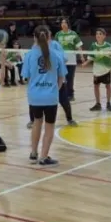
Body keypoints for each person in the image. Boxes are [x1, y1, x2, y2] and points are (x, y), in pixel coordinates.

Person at [23, 25, 67, 166]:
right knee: (49, 126)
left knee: (37, 122)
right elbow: (61, 78)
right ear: (49, 37)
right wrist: (54, 90)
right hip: (50, 97)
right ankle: (43, 157)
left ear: (34, 38)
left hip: (34, 97)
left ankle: (33, 153)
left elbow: (27, 77)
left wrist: (35, 87)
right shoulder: (57, 55)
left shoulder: (29, 55)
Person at [86, 28, 111, 112]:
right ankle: (98, 104)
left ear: (104, 36)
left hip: (106, 69)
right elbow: (91, 57)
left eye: (100, 34)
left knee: (108, 86)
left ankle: (108, 103)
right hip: (96, 70)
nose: (98, 35)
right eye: (97, 34)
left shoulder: (108, 45)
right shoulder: (93, 46)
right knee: (96, 86)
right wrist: (86, 63)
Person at [55, 18, 83, 101]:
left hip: (71, 59)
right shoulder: (58, 34)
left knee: (70, 77)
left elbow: (79, 46)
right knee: (60, 77)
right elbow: (55, 47)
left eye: (65, 23)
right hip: (61, 60)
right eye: (62, 23)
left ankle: (70, 94)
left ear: (68, 24)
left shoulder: (73, 34)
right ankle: (60, 93)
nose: (63, 24)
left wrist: (81, 56)